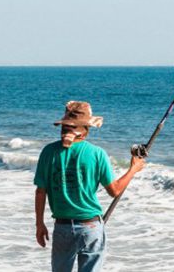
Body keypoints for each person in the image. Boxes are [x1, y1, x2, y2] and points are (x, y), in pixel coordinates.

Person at [34, 101, 146, 272]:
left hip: (62, 226)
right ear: (86, 129)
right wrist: (133, 169)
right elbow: (114, 190)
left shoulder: (48, 152)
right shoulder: (96, 153)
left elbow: (41, 191)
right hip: (90, 226)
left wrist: (40, 224)